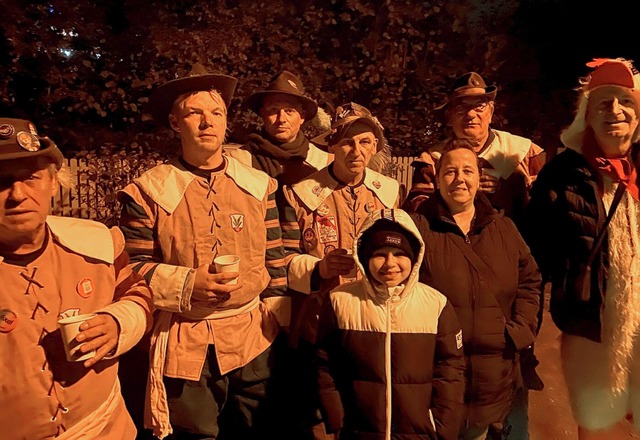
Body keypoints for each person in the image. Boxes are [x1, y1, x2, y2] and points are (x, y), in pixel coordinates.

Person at [117, 69, 288, 439]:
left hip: (253, 337)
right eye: (195, 113)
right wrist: (187, 282)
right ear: (175, 123)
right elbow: (132, 269)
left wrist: (278, 320)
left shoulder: (259, 186)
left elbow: (275, 259)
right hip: (187, 342)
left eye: (217, 113)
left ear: (227, 123)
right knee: (196, 434)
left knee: (257, 429)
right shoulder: (150, 191)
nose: (207, 122)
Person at [408, 71, 546, 439]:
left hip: (508, 283)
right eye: (462, 107)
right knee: (454, 404)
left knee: (510, 400)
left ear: (492, 110)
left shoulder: (524, 153)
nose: (472, 114)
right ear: (450, 115)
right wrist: (464, 194)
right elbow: (420, 208)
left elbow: (549, 214)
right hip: (454, 272)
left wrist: (512, 190)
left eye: (480, 106)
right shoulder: (433, 158)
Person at [0, 118, 154, 439]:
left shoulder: (94, 243)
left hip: (109, 431)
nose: (17, 194)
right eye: (1, 181)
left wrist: (117, 323)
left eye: (31, 178)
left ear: (53, 183)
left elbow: (138, 294)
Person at [526, 58, 640, 439]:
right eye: (603, 102)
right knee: (599, 428)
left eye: (625, 102)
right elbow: (531, 260)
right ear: (587, 117)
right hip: (591, 328)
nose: (615, 111)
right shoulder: (562, 176)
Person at [315, 208, 465, 440]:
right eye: (380, 254)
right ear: (364, 257)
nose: (390, 263)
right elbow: (325, 365)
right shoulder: (339, 301)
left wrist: (443, 425)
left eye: (399, 253)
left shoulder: (436, 305)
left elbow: (450, 370)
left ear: (414, 257)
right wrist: (337, 418)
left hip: (420, 433)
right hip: (358, 431)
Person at [226, 70, 332, 186]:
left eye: (289, 111)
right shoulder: (238, 160)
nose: (281, 119)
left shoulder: (323, 163)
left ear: (302, 117)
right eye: (273, 110)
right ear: (263, 114)